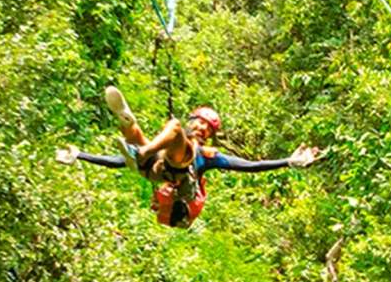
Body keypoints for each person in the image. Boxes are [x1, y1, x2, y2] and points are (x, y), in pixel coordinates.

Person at [56, 86, 322, 228]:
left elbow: (249, 166)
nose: (202, 127)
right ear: (193, 120)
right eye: (199, 122)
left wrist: (288, 161)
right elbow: (120, 161)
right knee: (141, 137)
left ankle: (138, 141)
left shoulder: (206, 155)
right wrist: (81, 155)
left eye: (208, 127)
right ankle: (127, 123)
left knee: (171, 131)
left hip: (182, 185)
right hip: (156, 169)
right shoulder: (173, 143)